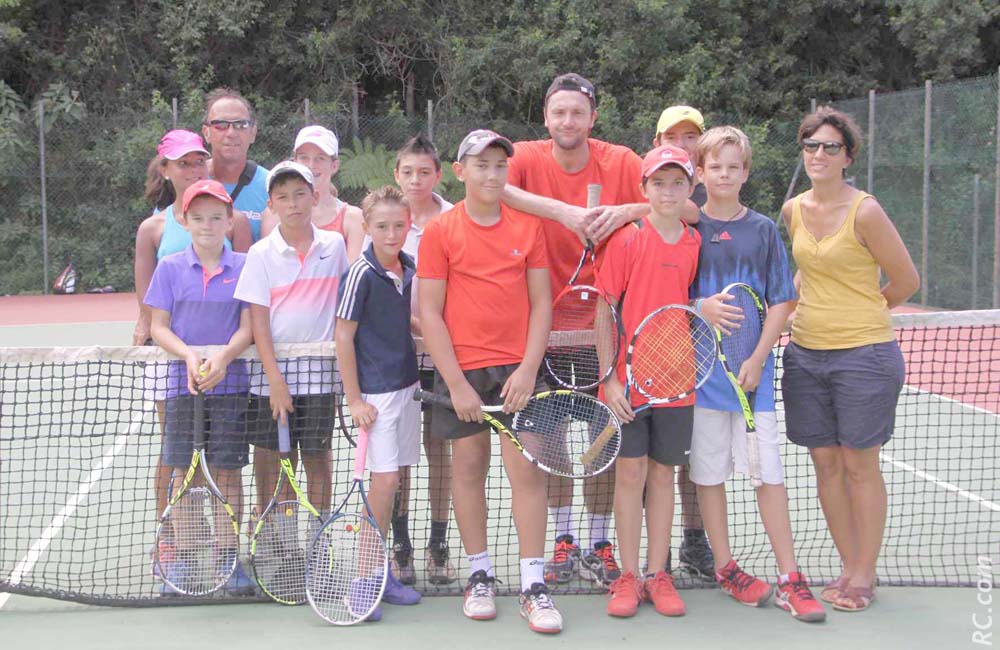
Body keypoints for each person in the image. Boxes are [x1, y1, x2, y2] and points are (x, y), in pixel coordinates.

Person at [503, 73, 647, 588]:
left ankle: (600, 541)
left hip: (604, 325)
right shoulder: (523, 156)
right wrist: (564, 212)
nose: (568, 121)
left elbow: (681, 205)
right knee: (550, 441)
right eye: (558, 112)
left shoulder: (625, 162)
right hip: (540, 325)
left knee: (604, 437)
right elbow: (492, 187)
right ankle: (563, 539)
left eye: (577, 113)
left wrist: (623, 211)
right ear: (546, 117)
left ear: (593, 118)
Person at [418, 130, 561, 633]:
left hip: (519, 371)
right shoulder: (440, 231)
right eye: (481, 165)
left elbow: (542, 301)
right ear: (460, 171)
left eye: (500, 165)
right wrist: (455, 383)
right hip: (463, 373)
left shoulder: (529, 227)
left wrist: (527, 368)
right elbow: (430, 313)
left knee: (528, 473)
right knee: (468, 470)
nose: (492, 174)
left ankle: (533, 584)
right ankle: (479, 574)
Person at [780, 107, 918, 613]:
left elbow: (905, 281)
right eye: (811, 145)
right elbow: (805, 271)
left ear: (847, 156)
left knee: (861, 465)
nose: (819, 154)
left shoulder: (866, 211)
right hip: (805, 357)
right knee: (826, 463)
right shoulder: (793, 210)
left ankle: (863, 574)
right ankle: (847, 565)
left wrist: (860, 315)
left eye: (830, 147)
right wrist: (801, 309)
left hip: (865, 356)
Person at [689, 126, 825, 622]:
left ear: (746, 172)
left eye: (734, 167)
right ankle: (726, 567)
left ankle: (791, 577)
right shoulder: (687, 229)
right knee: (708, 477)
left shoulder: (764, 229)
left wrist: (758, 357)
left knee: (768, 477)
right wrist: (698, 305)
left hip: (753, 382)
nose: (724, 175)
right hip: (700, 381)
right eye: (714, 167)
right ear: (699, 172)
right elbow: (669, 299)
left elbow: (782, 299)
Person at [595, 145, 730, 618]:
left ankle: (658, 574)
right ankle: (628, 576)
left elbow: (690, 303)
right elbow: (603, 309)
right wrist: (609, 378)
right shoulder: (627, 240)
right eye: (659, 182)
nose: (668, 191)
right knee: (629, 476)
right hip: (627, 383)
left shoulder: (695, 243)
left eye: (677, 183)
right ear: (644, 189)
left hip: (678, 382)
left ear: (690, 188)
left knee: (663, 476)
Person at [134, 129, 250, 582]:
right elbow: (157, 326)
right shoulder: (169, 267)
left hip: (231, 382)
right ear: (184, 220)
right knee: (182, 471)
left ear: (229, 220)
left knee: (226, 471)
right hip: (180, 383)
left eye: (215, 216)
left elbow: (248, 326)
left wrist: (222, 357)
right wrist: (188, 357)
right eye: (198, 217)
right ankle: (179, 555)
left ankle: (228, 555)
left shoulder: (243, 267)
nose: (207, 224)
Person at [233, 162, 348, 532]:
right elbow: (259, 325)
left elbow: (343, 309)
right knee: (272, 462)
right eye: (282, 197)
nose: (293, 203)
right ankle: (277, 540)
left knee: (317, 458)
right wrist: (276, 381)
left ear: (315, 197)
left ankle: (318, 538)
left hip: (319, 377)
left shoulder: (335, 245)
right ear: (271, 205)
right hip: (270, 382)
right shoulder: (260, 254)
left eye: (300, 194)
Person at [335, 185, 425, 619]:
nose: (392, 234)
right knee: (383, 485)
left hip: (408, 389)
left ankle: (381, 573)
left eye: (399, 225)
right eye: (382, 226)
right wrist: (354, 399)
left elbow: (395, 317)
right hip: (376, 396)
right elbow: (343, 335)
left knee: (396, 483)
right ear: (367, 227)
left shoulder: (408, 267)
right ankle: (362, 584)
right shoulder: (360, 273)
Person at [388, 135, 458, 586]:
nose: (416, 180)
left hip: (443, 357)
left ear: (438, 174)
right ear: (397, 175)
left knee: (439, 452)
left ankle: (438, 546)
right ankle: (402, 547)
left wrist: (433, 328)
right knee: (398, 457)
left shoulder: (455, 219)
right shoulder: (386, 220)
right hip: (396, 361)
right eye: (407, 172)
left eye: (424, 172)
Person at [261, 125, 366, 262]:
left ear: (334, 165)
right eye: (304, 158)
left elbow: (353, 276)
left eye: (320, 158)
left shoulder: (353, 218)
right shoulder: (274, 214)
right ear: (295, 162)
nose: (311, 165)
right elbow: (270, 265)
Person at [200, 87, 270, 242]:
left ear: (253, 133)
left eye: (241, 125)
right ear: (206, 133)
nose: (231, 133)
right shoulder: (188, 180)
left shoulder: (272, 187)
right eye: (221, 125)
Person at [653, 105, 708, 209]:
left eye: (690, 137)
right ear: (657, 144)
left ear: (703, 143)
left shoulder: (715, 194)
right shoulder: (644, 194)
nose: (680, 145)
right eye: (671, 137)